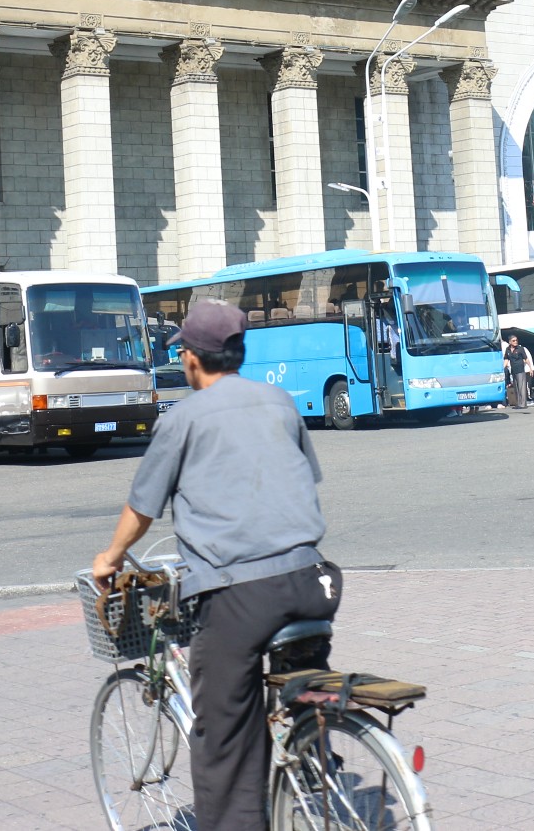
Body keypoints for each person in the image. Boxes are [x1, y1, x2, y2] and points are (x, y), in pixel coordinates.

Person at [93, 299, 339, 831]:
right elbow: (300, 482)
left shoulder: (182, 418)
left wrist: (110, 559)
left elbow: (141, 509)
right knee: (301, 687)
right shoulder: (279, 402)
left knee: (224, 738)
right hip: (313, 582)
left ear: (189, 357)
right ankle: (314, 753)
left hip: (239, 598)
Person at [502, 332, 533, 409]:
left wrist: (531, 368)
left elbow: (526, 359)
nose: (515, 342)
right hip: (513, 370)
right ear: (509, 342)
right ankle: (519, 403)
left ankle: (523, 404)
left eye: (516, 340)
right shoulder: (508, 349)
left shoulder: (520, 349)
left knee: (522, 387)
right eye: (513, 340)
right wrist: (502, 368)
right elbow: (506, 359)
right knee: (516, 387)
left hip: (520, 370)